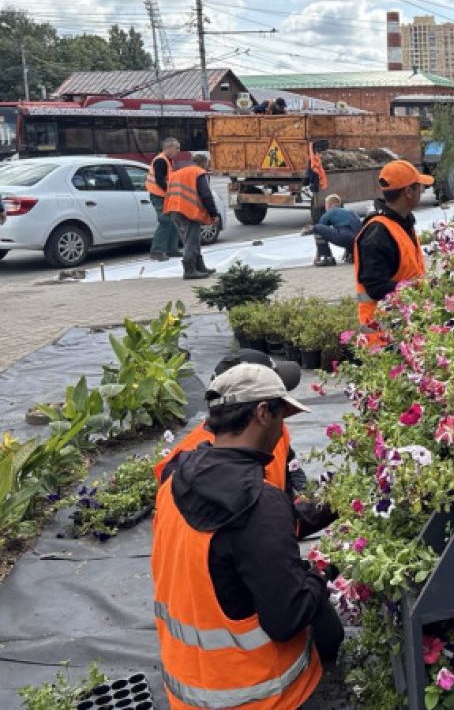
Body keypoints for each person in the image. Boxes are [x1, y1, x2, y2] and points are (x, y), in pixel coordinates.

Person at [151, 364, 343, 708]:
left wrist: (334, 504)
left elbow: (242, 540)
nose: (284, 428)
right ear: (262, 412)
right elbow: (288, 618)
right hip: (261, 695)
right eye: (282, 414)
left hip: (188, 690)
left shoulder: (177, 474)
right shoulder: (259, 503)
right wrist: (321, 575)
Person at [156, 350, 304, 493]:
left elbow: (290, 466)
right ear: (261, 412)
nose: (281, 411)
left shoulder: (270, 429)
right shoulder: (182, 472)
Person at [354, 159, 431, 332]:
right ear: (408, 192)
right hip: (383, 339)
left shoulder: (402, 224)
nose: (423, 191)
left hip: (404, 329)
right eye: (420, 187)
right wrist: (418, 287)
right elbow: (376, 287)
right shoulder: (377, 233)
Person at [163, 151, 219, 280]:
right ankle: (190, 271)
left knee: (191, 240)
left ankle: (200, 267)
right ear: (203, 163)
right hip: (188, 211)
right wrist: (214, 213)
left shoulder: (177, 172)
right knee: (191, 241)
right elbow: (206, 195)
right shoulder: (198, 172)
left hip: (173, 209)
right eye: (207, 164)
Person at [147, 137, 183, 261]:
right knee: (165, 221)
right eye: (176, 148)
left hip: (165, 196)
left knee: (173, 221)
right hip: (159, 196)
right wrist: (170, 192)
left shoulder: (167, 160)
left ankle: (172, 249)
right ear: (168, 148)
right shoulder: (161, 160)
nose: (178, 151)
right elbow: (160, 180)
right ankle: (157, 251)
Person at [303, 194, 361, 267]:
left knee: (317, 228)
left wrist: (317, 257)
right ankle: (352, 254)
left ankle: (326, 257)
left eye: (326, 205)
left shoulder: (330, 212)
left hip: (345, 237)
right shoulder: (351, 212)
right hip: (359, 241)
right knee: (348, 233)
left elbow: (321, 231)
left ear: (329, 204)